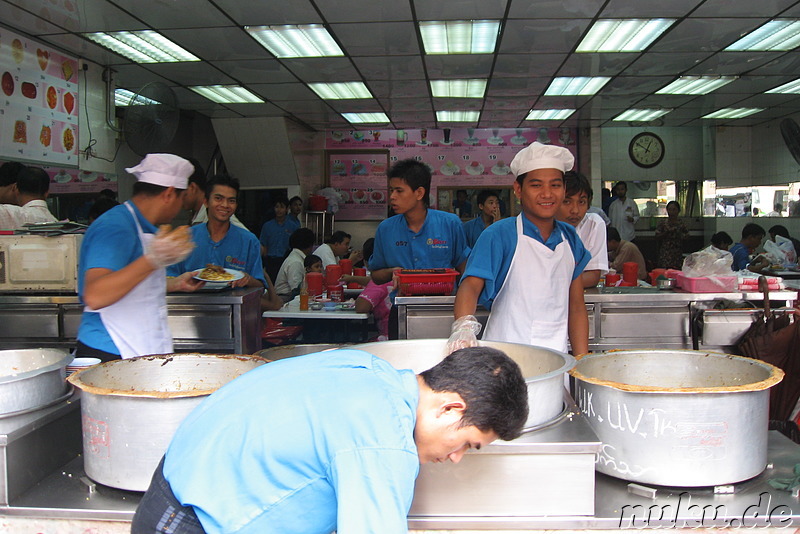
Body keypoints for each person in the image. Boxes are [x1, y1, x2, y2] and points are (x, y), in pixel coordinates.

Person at [131, 346, 529, 534]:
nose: (457, 457)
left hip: (172, 488)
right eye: (468, 444)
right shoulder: (385, 440)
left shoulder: (370, 368)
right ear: (450, 408)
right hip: (188, 521)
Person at [450, 142, 590, 355]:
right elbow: (470, 285)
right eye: (536, 185)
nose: (547, 194)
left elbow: (577, 306)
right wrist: (463, 327)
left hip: (556, 356)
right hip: (505, 353)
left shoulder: (570, 238)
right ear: (518, 190)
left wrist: (581, 360)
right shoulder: (499, 234)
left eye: (555, 185)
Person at [76, 154, 203, 361]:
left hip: (139, 350)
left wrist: (174, 284)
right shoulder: (116, 227)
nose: (181, 206)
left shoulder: (145, 227)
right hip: (111, 352)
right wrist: (154, 259)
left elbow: (131, 283)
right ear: (169, 194)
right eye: (182, 198)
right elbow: (95, 295)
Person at [370, 159, 470, 284]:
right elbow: (375, 275)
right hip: (402, 301)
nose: (392, 197)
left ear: (419, 193)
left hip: (443, 301)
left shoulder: (450, 223)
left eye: (399, 191)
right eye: (391, 190)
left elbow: (464, 269)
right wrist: (393, 272)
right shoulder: (385, 229)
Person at [168, 174, 267, 289]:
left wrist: (247, 279)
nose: (225, 205)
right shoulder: (185, 237)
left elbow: (260, 285)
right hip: (191, 303)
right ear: (206, 201)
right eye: (218, 198)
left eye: (231, 200)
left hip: (234, 305)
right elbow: (169, 277)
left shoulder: (249, 241)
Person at [557, 171, 608, 288]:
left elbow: (593, 277)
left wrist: (551, 285)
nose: (575, 210)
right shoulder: (541, 226)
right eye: (567, 201)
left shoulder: (594, 224)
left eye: (581, 202)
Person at [182, 158, 246, 229]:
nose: (224, 205)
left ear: (192, 187)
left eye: (179, 191)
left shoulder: (224, 220)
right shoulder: (196, 216)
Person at [354, 238, 392, 341]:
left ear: (367, 262)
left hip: (389, 339)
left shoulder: (380, 280)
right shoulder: (396, 272)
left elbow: (361, 307)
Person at [259, 195, 300, 282]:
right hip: (271, 261)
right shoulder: (267, 226)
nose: (279, 210)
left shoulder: (293, 226)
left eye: (282, 207)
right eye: (277, 207)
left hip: (286, 261)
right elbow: (264, 245)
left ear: (287, 209)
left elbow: (296, 246)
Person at [275, 227, 316, 302]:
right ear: (310, 246)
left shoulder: (297, 258)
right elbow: (296, 290)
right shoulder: (296, 262)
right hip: (285, 298)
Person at [655, 200, 689, 269]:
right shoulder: (663, 223)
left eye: (674, 209)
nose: (672, 212)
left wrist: (678, 233)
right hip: (665, 253)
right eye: (670, 209)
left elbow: (687, 237)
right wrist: (666, 233)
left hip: (677, 254)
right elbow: (657, 236)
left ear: (678, 211)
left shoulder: (681, 224)